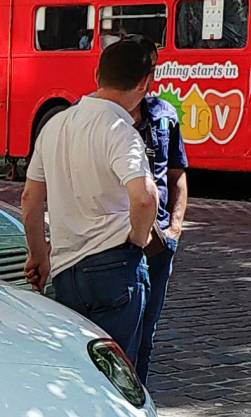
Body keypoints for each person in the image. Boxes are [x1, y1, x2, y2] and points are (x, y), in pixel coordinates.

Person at [21, 35, 159, 372]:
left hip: (68, 270)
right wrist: (138, 240)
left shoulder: (55, 125)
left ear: (97, 74)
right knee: (117, 375)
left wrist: (39, 254)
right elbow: (144, 197)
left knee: (79, 373)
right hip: (114, 266)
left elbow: (30, 199)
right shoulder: (120, 131)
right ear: (145, 82)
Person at [132, 81, 190, 380]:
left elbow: (177, 173)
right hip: (116, 241)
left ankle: (139, 398)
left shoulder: (164, 114)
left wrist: (175, 228)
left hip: (159, 241)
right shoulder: (94, 116)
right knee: (114, 335)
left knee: (145, 333)